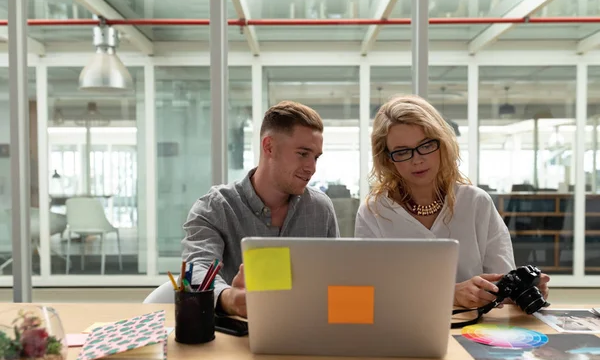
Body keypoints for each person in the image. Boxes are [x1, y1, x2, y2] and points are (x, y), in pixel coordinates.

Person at [354, 94, 549, 309]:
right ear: (387, 159)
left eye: (426, 145)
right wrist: (450, 294)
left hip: (474, 329)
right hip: (401, 327)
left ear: (443, 144)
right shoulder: (374, 211)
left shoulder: (476, 203)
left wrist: (521, 290)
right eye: (402, 152)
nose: (417, 159)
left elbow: (500, 280)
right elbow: (367, 294)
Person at [182, 100, 339, 318]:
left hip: (307, 333)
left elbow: (336, 278)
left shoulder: (321, 209)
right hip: (236, 339)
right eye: (303, 154)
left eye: (316, 157)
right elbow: (196, 269)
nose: (312, 168)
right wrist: (229, 299)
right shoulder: (215, 208)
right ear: (269, 147)